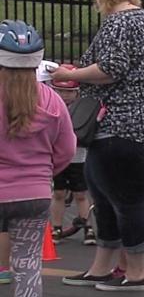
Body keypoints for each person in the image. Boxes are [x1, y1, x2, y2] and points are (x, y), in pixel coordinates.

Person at [52, 0, 144, 292]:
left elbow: (111, 68)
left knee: (125, 198)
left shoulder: (119, 23)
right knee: (103, 190)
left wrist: (72, 74)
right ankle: (102, 266)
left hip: (124, 124)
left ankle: (135, 272)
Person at [0, 20, 76, 297]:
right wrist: (44, 173)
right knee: (28, 264)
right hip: (33, 193)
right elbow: (67, 150)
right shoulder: (52, 101)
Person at [47, 64, 95, 246]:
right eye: (60, 91)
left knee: (80, 194)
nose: (65, 96)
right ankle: (57, 227)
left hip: (78, 158)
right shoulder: (53, 108)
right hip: (58, 158)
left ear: (77, 93)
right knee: (58, 193)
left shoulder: (81, 111)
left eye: (69, 92)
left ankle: (87, 226)